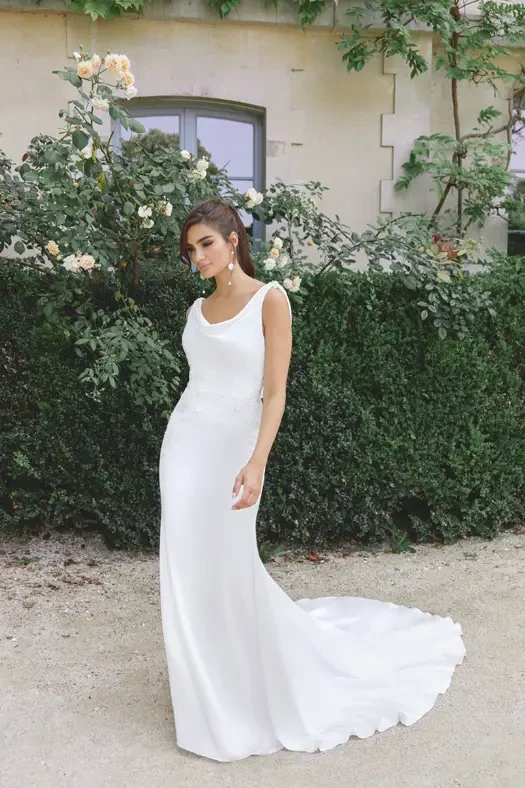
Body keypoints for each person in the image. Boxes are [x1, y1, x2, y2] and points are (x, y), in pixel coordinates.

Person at [158, 198, 466, 763]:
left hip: (235, 448)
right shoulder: (196, 311)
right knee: (185, 564)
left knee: (229, 561)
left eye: (206, 243)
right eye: (190, 248)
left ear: (233, 239)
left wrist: (257, 463)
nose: (197, 256)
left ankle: (244, 684)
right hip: (184, 447)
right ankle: (201, 682)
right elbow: (197, 385)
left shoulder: (270, 300)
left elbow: (274, 392)